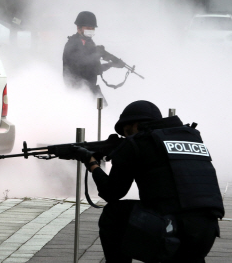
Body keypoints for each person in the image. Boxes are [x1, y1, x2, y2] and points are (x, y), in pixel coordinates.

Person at [72, 100, 224, 262]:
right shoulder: (191, 138)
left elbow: (112, 193)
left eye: (126, 132)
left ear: (134, 126)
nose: (126, 137)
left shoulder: (136, 143)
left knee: (113, 213)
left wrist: (92, 164)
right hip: (206, 234)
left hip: (170, 231)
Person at [62, 11, 122, 96]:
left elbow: (96, 69)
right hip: (77, 90)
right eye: (88, 28)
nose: (91, 30)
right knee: (93, 107)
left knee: (101, 107)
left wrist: (112, 63)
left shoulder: (89, 42)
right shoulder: (72, 44)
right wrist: (97, 54)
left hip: (90, 88)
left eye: (92, 28)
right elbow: (81, 66)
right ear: (78, 28)